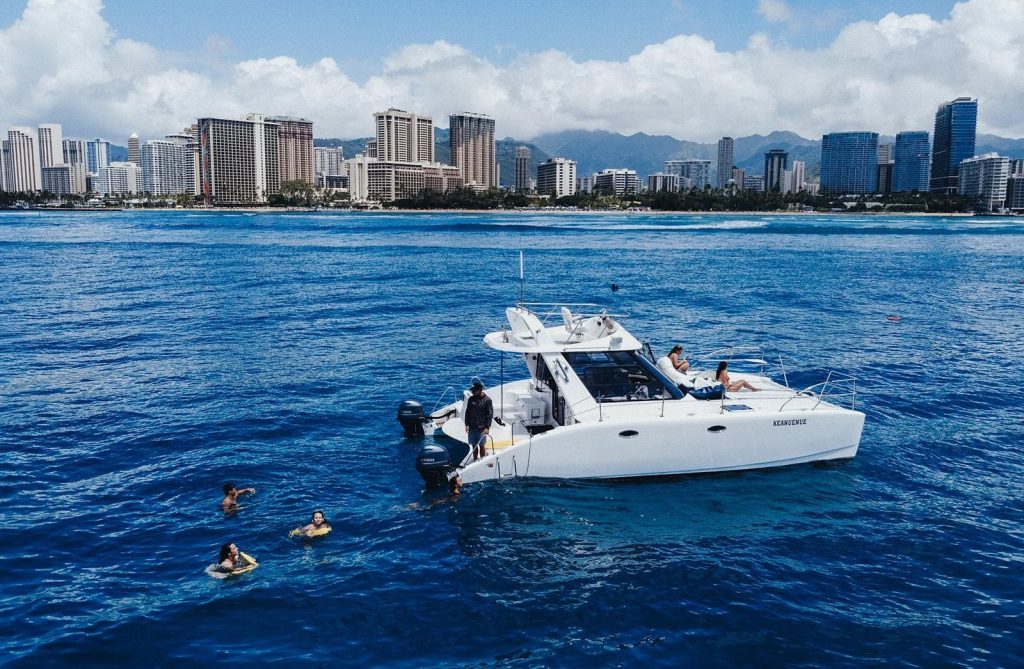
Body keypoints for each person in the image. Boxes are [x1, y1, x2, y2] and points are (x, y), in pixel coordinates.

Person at [464, 381, 493, 461]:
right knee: (474, 445)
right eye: (472, 390)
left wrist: (487, 427)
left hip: (482, 428)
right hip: (472, 427)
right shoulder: (471, 399)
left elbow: (490, 414)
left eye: (474, 390)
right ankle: (475, 460)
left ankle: (482, 461)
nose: (473, 392)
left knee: (482, 445)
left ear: (480, 390)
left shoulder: (487, 400)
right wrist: (466, 424)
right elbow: (467, 412)